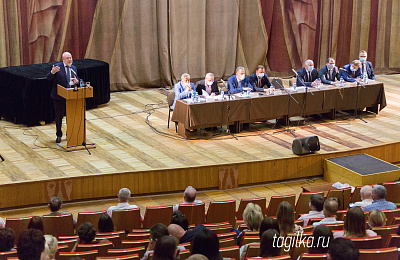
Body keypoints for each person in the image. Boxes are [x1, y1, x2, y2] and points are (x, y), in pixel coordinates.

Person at [46, 52, 79, 143]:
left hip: (70, 96)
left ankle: (70, 133)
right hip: (59, 97)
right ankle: (59, 135)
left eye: (71, 58)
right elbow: (48, 78)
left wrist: (77, 82)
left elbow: (78, 80)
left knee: (71, 116)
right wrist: (52, 72)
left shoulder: (74, 68)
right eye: (67, 58)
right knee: (59, 117)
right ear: (63, 59)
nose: (70, 60)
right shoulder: (57, 67)